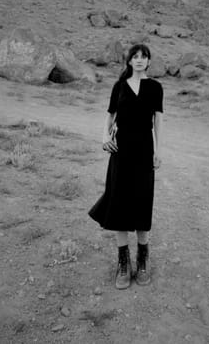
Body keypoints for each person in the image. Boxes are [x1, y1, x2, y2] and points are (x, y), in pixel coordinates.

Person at [87, 43, 163, 289]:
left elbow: (158, 122)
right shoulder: (119, 86)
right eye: (135, 57)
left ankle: (142, 259)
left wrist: (159, 151)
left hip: (144, 152)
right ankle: (123, 261)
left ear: (149, 61)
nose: (140, 60)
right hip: (120, 151)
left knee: (142, 201)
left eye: (144, 57)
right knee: (118, 201)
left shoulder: (155, 88)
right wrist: (104, 137)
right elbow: (110, 116)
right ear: (129, 61)